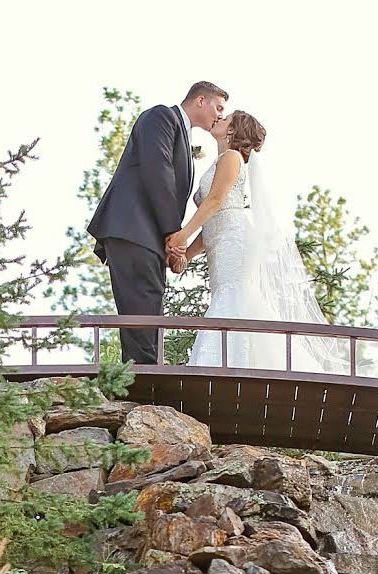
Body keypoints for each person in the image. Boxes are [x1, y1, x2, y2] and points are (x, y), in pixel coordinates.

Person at [173, 111, 347, 372]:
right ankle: (235, 363)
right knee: (230, 297)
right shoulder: (221, 160)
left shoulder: (232, 158)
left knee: (234, 296)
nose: (219, 118)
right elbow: (213, 223)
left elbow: (215, 202)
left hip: (236, 241)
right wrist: (186, 253)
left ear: (233, 131)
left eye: (226, 118)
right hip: (221, 242)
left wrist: (182, 236)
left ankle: (229, 367)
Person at [88, 81, 227, 364]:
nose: (221, 116)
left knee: (147, 311)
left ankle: (141, 384)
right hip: (133, 229)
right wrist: (173, 236)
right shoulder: (161, 116)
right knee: (141, 314)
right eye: (218, 107)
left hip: (148, 238)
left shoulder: (183, 137)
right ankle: (143, 388)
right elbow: (158, 172)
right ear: (200, 100)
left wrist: (172, 245)